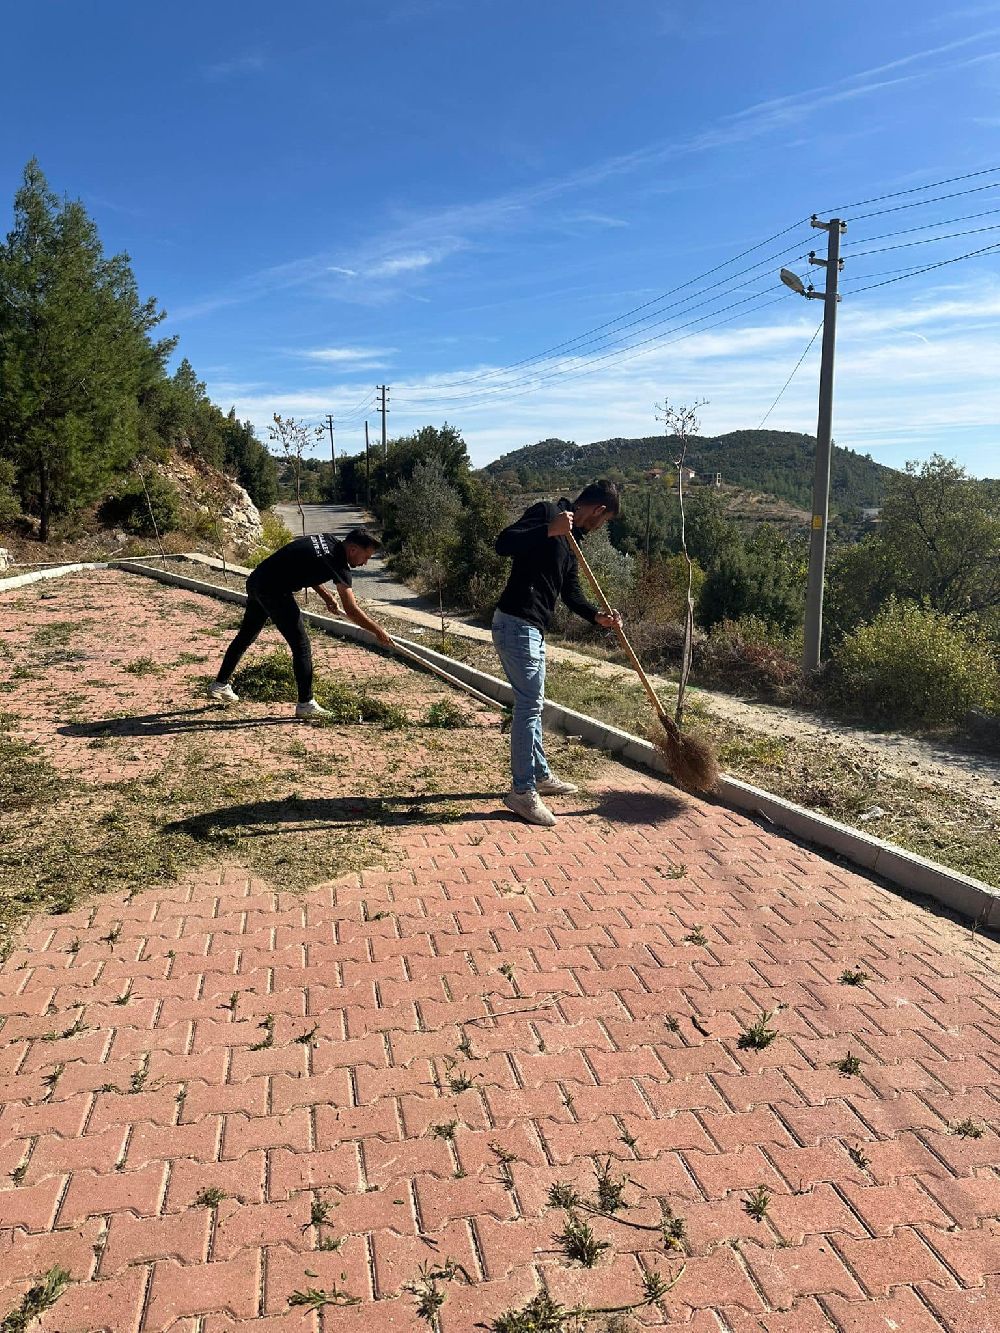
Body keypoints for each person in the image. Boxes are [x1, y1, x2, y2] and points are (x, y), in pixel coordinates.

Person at [492, 480, 623, 826]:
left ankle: (539, 776)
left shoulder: (574, 541)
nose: (602, 525)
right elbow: (503, 543)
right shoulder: (548, 512)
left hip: (532, 628)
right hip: (515, 621)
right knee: (529, 705)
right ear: (597, 510)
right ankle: (521, 792)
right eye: (605, 519)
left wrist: (599, 617)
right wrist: (549, 530)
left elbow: (571, 592)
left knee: (533, 703)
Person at [209, 526, 394, 717]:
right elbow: (352, 610)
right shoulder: (339, 564)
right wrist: (378, 631)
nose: (365, 563)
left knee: (246, 635)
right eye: (366, 557)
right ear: (353, 549)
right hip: (274, 591)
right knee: (301, 645)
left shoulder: (327, 540)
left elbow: (307, 563)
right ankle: (306, 704)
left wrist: (326, 596)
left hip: (257, 580)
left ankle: (219, 684)